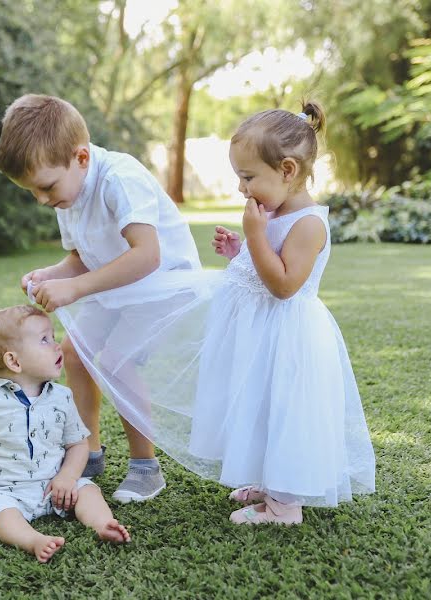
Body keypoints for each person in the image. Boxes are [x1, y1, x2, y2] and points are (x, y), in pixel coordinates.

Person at [55, 101, 376, 526]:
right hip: (258, 334)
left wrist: (255, 237)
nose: (242, 189)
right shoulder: (275, 212)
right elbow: (262, 270)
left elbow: (283, 285)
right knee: (257, 408)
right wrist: (241, 251)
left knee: (281, 412)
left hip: (286, 338)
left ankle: (284, 507)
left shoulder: (309, 224)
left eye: (248, 177)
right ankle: (268, 483)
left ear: (287, 170)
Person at [0, 94, 202, 503]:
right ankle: (87, 451)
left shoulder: (119, 179)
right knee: (73, 352)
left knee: (115, 362)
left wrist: (73, 288)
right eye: (32, 191)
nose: (41, 199)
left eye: (45, 187)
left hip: (162, 286)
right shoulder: (67, 193)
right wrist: (51, 275)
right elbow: (82, 258)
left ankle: (146, 467)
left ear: (82, 158)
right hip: (119, 286)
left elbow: (147, 255)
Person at [0, 305, 130, 563]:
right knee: (0, 512)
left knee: (88, 490)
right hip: (5, 490)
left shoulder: (62, 397)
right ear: (14, 361)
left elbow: (78, 443)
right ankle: (32, 539)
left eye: (53, 337)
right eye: (45, 340)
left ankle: (103, 524)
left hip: (56, 487)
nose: (57, 345)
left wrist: (68, 478)